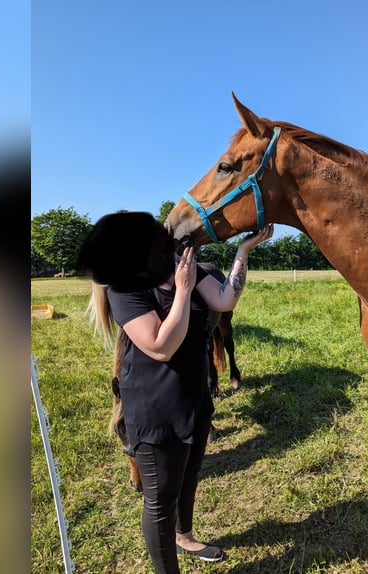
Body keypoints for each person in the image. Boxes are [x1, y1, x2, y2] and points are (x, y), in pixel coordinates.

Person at [106, 222, 273, 573]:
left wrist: (242, 252)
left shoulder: (186, 268)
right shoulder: (125, 288)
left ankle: (184, 536)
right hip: (156, 408)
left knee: (189, 475)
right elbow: (161, 345)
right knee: (160, 501)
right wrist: (182, 292)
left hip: (195, 399)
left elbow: (225, 298)